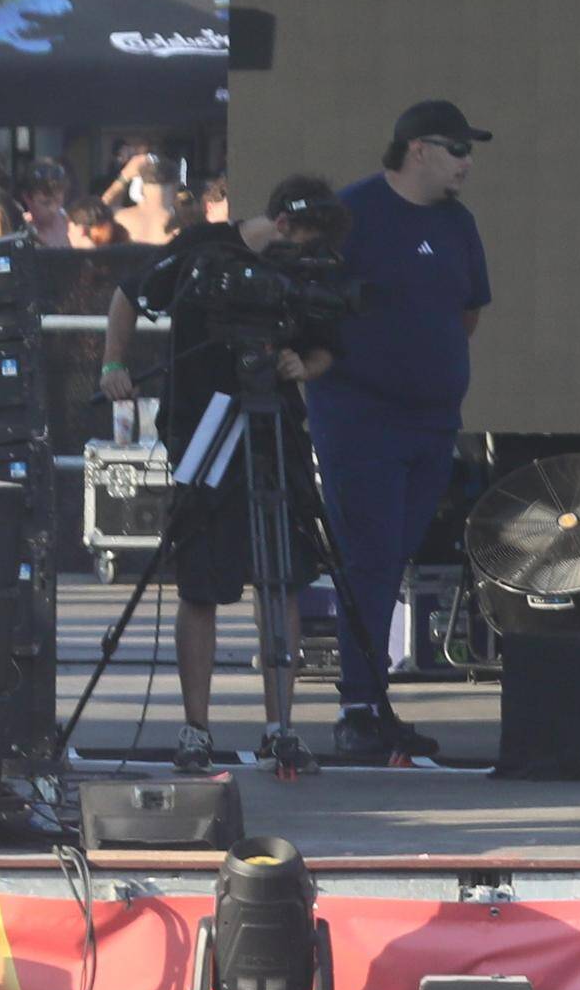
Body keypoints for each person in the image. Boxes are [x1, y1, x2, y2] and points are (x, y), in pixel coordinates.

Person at [100, 175, 355, 769]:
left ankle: (281, 726)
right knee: (200, 581)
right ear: (284, 224)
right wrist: (114, 363)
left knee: (283, 578)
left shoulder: (313, 269)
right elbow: (128, 295)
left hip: (275, 425)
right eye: (304, 242)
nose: (306, 257)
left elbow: (326, 345)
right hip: (203, 421)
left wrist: (303, 364)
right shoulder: (199, 247)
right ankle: (196, 728)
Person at [308, 101, 492, 764]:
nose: (467, 162)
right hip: (360, 416)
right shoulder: (355, 214)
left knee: (396, 557)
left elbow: (466, 312)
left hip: (432, 419)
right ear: (417, 149)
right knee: (370, 555)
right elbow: (314, 304)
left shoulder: (457, 224)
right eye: (456, 148)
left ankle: (374, 701)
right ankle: (358, 705)